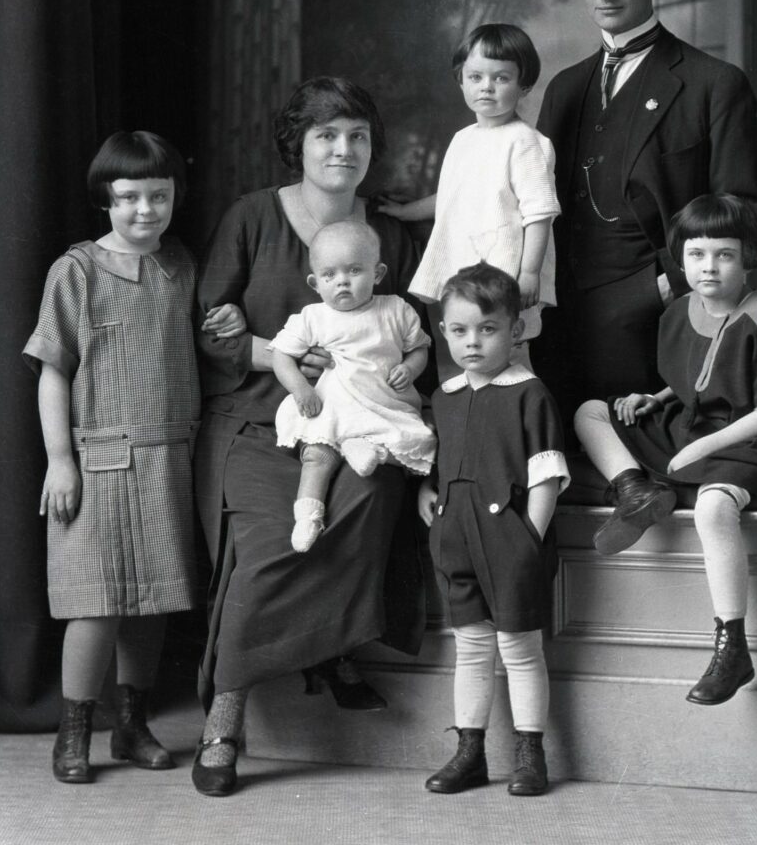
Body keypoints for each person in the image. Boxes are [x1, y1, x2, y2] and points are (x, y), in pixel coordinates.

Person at [192, 76, 427, 797]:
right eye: (326, 134)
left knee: (367, 495)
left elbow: (416, 334)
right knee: (266, 548)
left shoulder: (390, 231)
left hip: (358, 426)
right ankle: (223, 727)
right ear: (297, 142)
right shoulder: (251, 217)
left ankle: (327, 649)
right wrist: (278, 354)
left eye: (357, 135)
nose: (343, 149)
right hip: (259, 423)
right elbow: (208, 326)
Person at [23, 131, 243, 784]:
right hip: (96, 462)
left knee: (153, 602)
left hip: (168, 458)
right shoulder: (78, 271)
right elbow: (52, 370)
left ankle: (131, 723)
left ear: (175, 196)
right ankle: (73, 734)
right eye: (129, 198)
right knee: (94, 603)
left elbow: (207, 345)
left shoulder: (182, 266)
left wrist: (228, 329)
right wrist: (58, 458)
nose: (144, 210)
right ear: (105, 201)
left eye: (158, 196)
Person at [533, 0, 757, 453]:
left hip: (661, 322)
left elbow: (751, 217)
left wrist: (666, 284)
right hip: (564, 321)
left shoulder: (713, 83)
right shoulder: (564, 89)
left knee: (652, 478)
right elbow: (532, 203)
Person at [574, 194, 757, 705]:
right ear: (681, 259)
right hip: (695, 424)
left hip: (754, 436)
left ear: (748, 257)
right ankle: (635, 490)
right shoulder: (680, 310)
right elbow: (695, 381)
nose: (709, 267)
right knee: (590, 412)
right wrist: (655, 396)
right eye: (697, 254)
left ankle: (732, 644)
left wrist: (701, 447)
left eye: (724, 255)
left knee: (712, 506)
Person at [419, 262, 569, 796]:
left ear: (516, 330)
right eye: (459, 331)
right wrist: (426, 493)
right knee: (472, 647)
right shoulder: (446, 396)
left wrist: (529, 538)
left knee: (520, 648)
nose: (473, 343)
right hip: (454, 536)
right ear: (443, 332)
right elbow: (439, 462)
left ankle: (530, 755)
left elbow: (546, 473)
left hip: (511, 539)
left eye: (487, 329)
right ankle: (470, 753)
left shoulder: (529, 393)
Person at [379, 23, 559, 378]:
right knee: (465, 353)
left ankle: (517, 421)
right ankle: (470, 421)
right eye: (475, 76)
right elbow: (451, 197)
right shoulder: (463, 139)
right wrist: (404, 211)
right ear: (461, 80)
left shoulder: (525, 142)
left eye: (501, 78)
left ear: (524, 86)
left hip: (504, 269)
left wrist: (528, 272)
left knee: (507, 355)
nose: (486, 87)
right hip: (464, 267)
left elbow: (540, 212)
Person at [270, 220, 436, 552]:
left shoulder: (395, 309)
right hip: (336, 402)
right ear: (315, 283)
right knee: (316, 455)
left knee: (410, 443)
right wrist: (301, 389)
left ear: (377, 273)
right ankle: (308, 516)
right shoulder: (314, 316)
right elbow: (281, 356)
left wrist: (409, 367)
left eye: (354, 271)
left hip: (382, 401)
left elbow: (420, 347)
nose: (342, 282)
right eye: (330, 276)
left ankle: (364, 448)